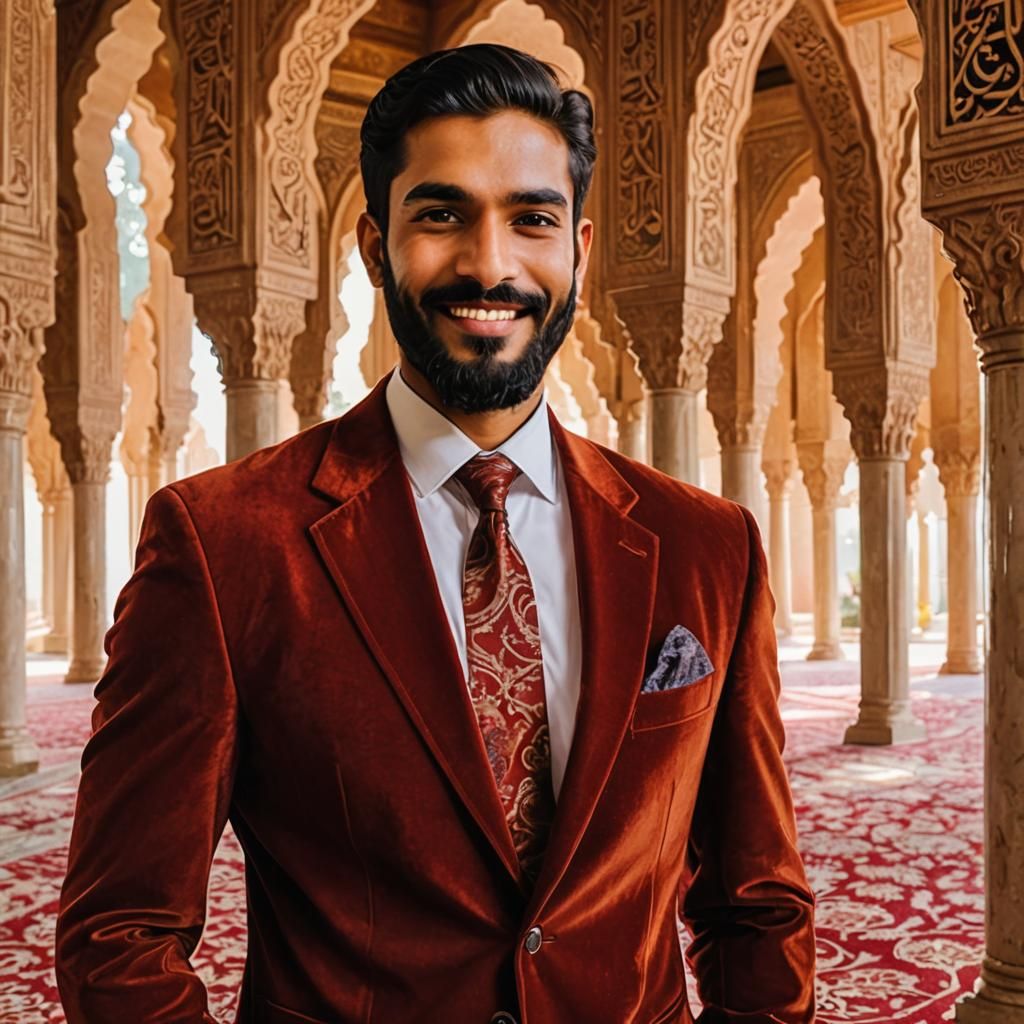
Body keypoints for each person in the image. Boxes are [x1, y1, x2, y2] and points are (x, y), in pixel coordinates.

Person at [55, 44, 815, 1024]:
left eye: (531, 219)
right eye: (442, 215)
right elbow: (119, 935)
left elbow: (757, 906)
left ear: (579, 248)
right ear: (376, 246)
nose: (489, 263)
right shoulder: (226, 544)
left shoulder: (706, 546)